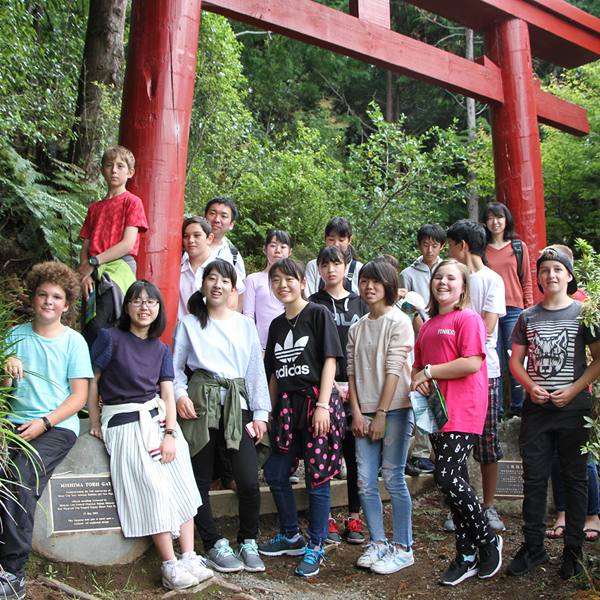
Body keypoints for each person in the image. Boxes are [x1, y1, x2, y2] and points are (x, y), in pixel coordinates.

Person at [87, 281, 212, 590]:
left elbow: (168, 395)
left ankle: (188, 555)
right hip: (124, 423)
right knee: (153, 489)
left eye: (151, 302)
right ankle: (169, 564)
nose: (144, 307)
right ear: (127, 307)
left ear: (159, 309)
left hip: (158, 422)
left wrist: (170, 433)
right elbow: (92, 380)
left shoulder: (161, 348)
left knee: (183, 484)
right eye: (137, 301)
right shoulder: (110, 338)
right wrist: (94, 421)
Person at [1, 262, 93, 600]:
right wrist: (9, 372)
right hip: (14, 423)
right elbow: (6, 390)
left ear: (67, 304)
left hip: (56, 425)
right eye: (43, 294)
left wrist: (45, 423)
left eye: (57, 297)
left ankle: (13, 573)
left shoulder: (74, 342)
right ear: (33, 297)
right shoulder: (14, 336)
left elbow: (79, 396)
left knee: (19, 479)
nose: (49, 302)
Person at [506, 248, 600, 580]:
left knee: (574, 479)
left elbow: (598, 359)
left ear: (569, 276)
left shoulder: (583, 313)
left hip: (574, 409)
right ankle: (533, 546)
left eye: (557, 269)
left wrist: (574, 390)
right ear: (539, 277)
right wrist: (531, 387)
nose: (551, 275)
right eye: (544, 270)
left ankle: (573, 551)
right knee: (533, 479)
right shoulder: (527, 316)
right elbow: (515, 362)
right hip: (537, 411)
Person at [172, 260, 271, 574]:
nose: (217, 285)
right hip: (200, 403)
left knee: (247, 479)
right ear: (203, 285)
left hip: (236, 405)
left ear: (233, 287)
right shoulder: (188, 323)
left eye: (224, 280)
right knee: (199, 480)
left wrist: (259, 414)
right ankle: (212, 542)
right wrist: (180, 396)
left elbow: (255, 370)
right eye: (211, 279)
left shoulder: (243, 324)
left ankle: (248, 539)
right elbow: (174, 371)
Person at [411, 259, 502, 586]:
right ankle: (465, 555)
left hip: (464, 409)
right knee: (454, 481)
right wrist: (418, 378)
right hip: (436, 412)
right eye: (438, 277)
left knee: (446, 475)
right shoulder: (427, 325)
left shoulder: (469, 318)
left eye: (452, 278)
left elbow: (472, 362)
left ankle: (487, 539)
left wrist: (429, 373)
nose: (443, 282)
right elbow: (417, 368)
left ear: (463, 287)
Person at [259, 258, 345, 577]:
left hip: (315, 405)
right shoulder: (276, 325)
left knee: (317, 477)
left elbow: (330, 361)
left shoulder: (317, 313)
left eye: (289, 279)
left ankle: (317, 544)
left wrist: (323, 405)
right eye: (276, 280)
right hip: (284, 408)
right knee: (276, 472)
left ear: (302, 282)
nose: (283, 285)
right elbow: (273, 375)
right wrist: (266, 414)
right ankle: (290, 534)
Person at [346, 260, 415, 574]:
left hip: (395, 410)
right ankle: (378, 543)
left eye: (375, 281)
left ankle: (404, 547)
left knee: (393, 478)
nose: (369, 287)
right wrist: (357, 413)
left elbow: (393, 370)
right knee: (364, 482)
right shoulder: (356, 327)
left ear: (389, 285)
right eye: (364, 281)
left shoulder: (399, 321)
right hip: (365, 413)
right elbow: (351, 373)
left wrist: (382, 414)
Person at [447, 219, 506, 533]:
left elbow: (489, 327)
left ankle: (487, 505)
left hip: (487, 372)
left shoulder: (492, 280)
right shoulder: (452, 279)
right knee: (454, 439)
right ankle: (460, 503)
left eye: (450, 244)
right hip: (453, 372)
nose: (448, 251)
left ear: (463, 245)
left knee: (487, 442)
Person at [309, 245, 369, 545]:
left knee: (354, 456)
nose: (331, 269)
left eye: (337, 263)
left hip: (356, 388)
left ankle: (354, 516)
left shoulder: (361, 304)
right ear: (318, 269)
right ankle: (329, 517)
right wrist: (329, 387)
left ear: (347, 266)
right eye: (325, 264)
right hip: (325, 390)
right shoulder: (312, 304)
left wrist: (355, 387)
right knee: (326, 454)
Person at [78, 145, 148, 348]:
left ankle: (102, 377)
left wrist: (94, 261)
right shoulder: (94, 208)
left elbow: (127, 244)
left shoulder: (132, 202)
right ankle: (87, 376)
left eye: (120, 166)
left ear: (130, 172)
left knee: (103, 327)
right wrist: (85, 273)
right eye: (109, 165)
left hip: (117, 270)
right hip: (92, 271)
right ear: (102, 170)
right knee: (88, 326)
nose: (114, 170)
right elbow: (86, 244)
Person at [399, 224, 446, 476]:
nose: (429, 249)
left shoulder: (447, 271)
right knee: (420, 391)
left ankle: (441, 449)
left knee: (442, 391)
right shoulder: (408, 273)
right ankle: (420, 452)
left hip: (445, 337)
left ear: (441, 246)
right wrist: (424, 331)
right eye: (425, 244)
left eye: (435, 245)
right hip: (419, 338)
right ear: (419, 245)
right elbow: (406, 310)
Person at [483, 202, 534, 419]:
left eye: (499, 217)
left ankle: (518, 410)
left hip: (514, 310)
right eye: (491, 218)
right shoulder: (481, 249)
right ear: (485, 222)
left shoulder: (518, 247)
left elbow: (527, 281)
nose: (495, 222)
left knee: (515, 360)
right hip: (490, 311)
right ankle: (496, 411)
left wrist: (530, 311)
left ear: (507, 220)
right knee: (495, 362)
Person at [243, 230, 292, 351]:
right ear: (264, 249)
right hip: (262, 345)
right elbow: (248, 315)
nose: (278, 250)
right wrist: (256, 347)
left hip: (291, 342)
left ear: (290, 251)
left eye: (283, 246)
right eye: (273, 245)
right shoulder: (253, 279)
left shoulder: (296, 280)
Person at [204, 197, 246, 311]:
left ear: (231, 224)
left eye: (223, 216)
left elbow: (240, 292)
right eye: (213, 213)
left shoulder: (233, 256)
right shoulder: (189, 249)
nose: (217, 219)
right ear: (204, 217)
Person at [305, 217, 363, 296]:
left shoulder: (358, 268)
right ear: (325, 238)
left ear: (350, 240)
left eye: (341, 240)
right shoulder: (313, 266)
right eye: (331, 239)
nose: (336, 244)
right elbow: (309, 297)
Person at [178, 216, 215, 320]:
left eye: (197, 235)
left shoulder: (219, 268)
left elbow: (232, 304)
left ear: (209, 238)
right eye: (186, 236)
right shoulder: (177, 268)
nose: (191, 240)